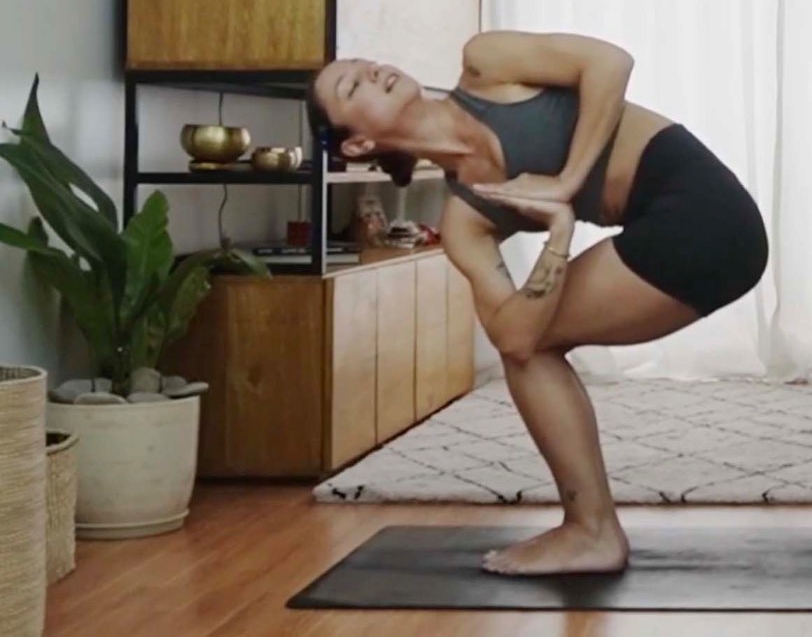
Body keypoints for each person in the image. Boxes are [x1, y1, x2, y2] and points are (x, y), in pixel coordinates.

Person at [306, 30, 768, 576]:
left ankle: (591, 530)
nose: (374, 68)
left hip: (709, 215)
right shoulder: (465, 221)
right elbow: (515, 337)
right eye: (352, 83)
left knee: (525, 344)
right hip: (681, 242)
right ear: (358, 145)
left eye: (368, 60)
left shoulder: (485, 64)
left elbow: (610, 62)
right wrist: (557, 234)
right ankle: (589, 529)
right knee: (522, 345)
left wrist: (565, 183)